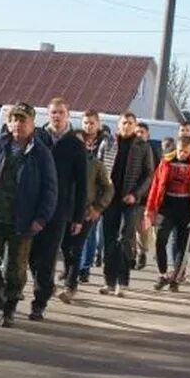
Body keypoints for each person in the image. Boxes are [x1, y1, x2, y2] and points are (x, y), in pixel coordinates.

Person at [0, 102, 57, 327]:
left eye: (23, 120)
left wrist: (41, 218)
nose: (17, 124)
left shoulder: (40, 152)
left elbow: (50, 189)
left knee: (16, 268)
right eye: (14, 119)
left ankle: (10, 307)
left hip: (23, 220)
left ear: (32, 124)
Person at [29, 98, 86, 320]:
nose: (57, 116)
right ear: (48, 114)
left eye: (61, 112)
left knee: (48, 255)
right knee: (32, 256)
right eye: (53, 112)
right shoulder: (37, 138)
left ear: (68, 115)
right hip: (34, 205)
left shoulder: (75, 144)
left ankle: (39, 302)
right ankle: (45, 285)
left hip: (60, 209)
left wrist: (78, 216)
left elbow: (82, 183)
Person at [145, 136, 190, 292]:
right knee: (160, 240)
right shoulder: (166, 161)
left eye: (186, 151)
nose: (183, 154)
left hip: (186, 208)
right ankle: (162, 274)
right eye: (180, 150)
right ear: (177, 147)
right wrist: (150, 208)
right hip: (167, 206)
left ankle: (175, 277)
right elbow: (156, 185)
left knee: (182, 245)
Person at [99, 112, 154, 297]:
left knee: (125, 239)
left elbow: (149, 175)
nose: (127, 126)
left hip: (131, 201)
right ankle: (109, 281)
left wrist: (136, 194)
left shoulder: (142, 146)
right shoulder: (109, 143)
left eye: (131, 123)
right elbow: (99, 170)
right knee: (109, 239)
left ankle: (122, 282)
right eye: (124, 123)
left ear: (135, 125)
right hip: (109, 199)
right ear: (118, 124)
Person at [61, 129, 113, 302]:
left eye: (80, 142)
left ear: (88, 145)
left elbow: (108, 188)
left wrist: (98, 207)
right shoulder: (62, 161)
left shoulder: (95, 164)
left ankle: (70, 285)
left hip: (85, 213)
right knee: (65, 248)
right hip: (64, 212)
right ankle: (70, 278)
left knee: (76, 248)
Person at [79, 111, 108, 280]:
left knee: (89, 233)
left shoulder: (105, 143)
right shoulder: (77, 139)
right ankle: (74, 266)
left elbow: (106, 172)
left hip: (95, 194)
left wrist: (99, 200)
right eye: (85, 123)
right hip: (77, 193)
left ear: (98, 124)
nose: (88, 126)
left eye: (91, 123)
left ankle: (85, 267)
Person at [133, 121, 156, 270]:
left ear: (148, 135)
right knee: (130, 227)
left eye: (142, 132)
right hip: (129, 194)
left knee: (142, 228)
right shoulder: (130, 149)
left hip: (145, 196)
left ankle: (142, 252)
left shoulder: (152, 151)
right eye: (137, 132)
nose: (139, 134)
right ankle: (132, 253)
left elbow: (155, 176)